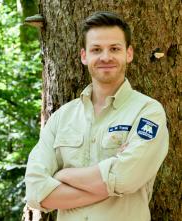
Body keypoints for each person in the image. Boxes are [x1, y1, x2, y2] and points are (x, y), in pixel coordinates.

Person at [25, 11, 169, 221]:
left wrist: (63, 176)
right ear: (84, 56)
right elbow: (36, 191)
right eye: (96, 49)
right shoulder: (62, 117)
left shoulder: (147, 112)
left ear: (129, 53)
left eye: (114, 48)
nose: (105, 57)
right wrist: (108, 182)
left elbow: (126, 177)